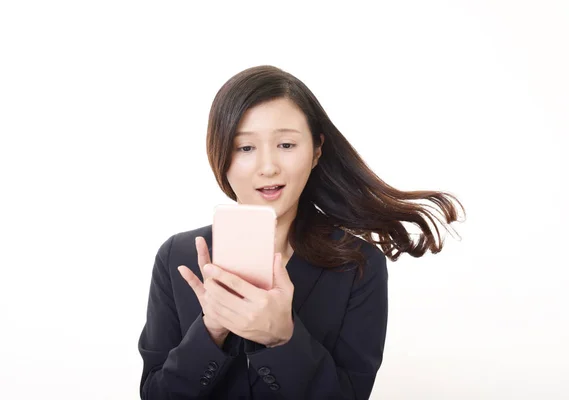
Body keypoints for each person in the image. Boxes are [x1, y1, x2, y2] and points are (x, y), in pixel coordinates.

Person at [138, 65, 465, 399]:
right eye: (245, 148)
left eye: (286, 145)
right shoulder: (176, 257)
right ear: (220, 155)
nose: (268, 167)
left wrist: (283, 338)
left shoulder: (357, 265)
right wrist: (211, 331)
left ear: (316, 151)